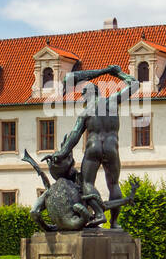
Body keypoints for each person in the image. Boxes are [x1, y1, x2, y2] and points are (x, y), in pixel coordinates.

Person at [47, 65, 138, 229]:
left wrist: (61, 154)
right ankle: (115, 223)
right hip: (112, 148)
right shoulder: (112, 102)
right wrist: (117, 73)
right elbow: (134, 84)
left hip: (93, 148)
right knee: (114, 184)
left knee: (87, 183)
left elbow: (74, 136)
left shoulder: (85, 112)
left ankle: (99, 213)